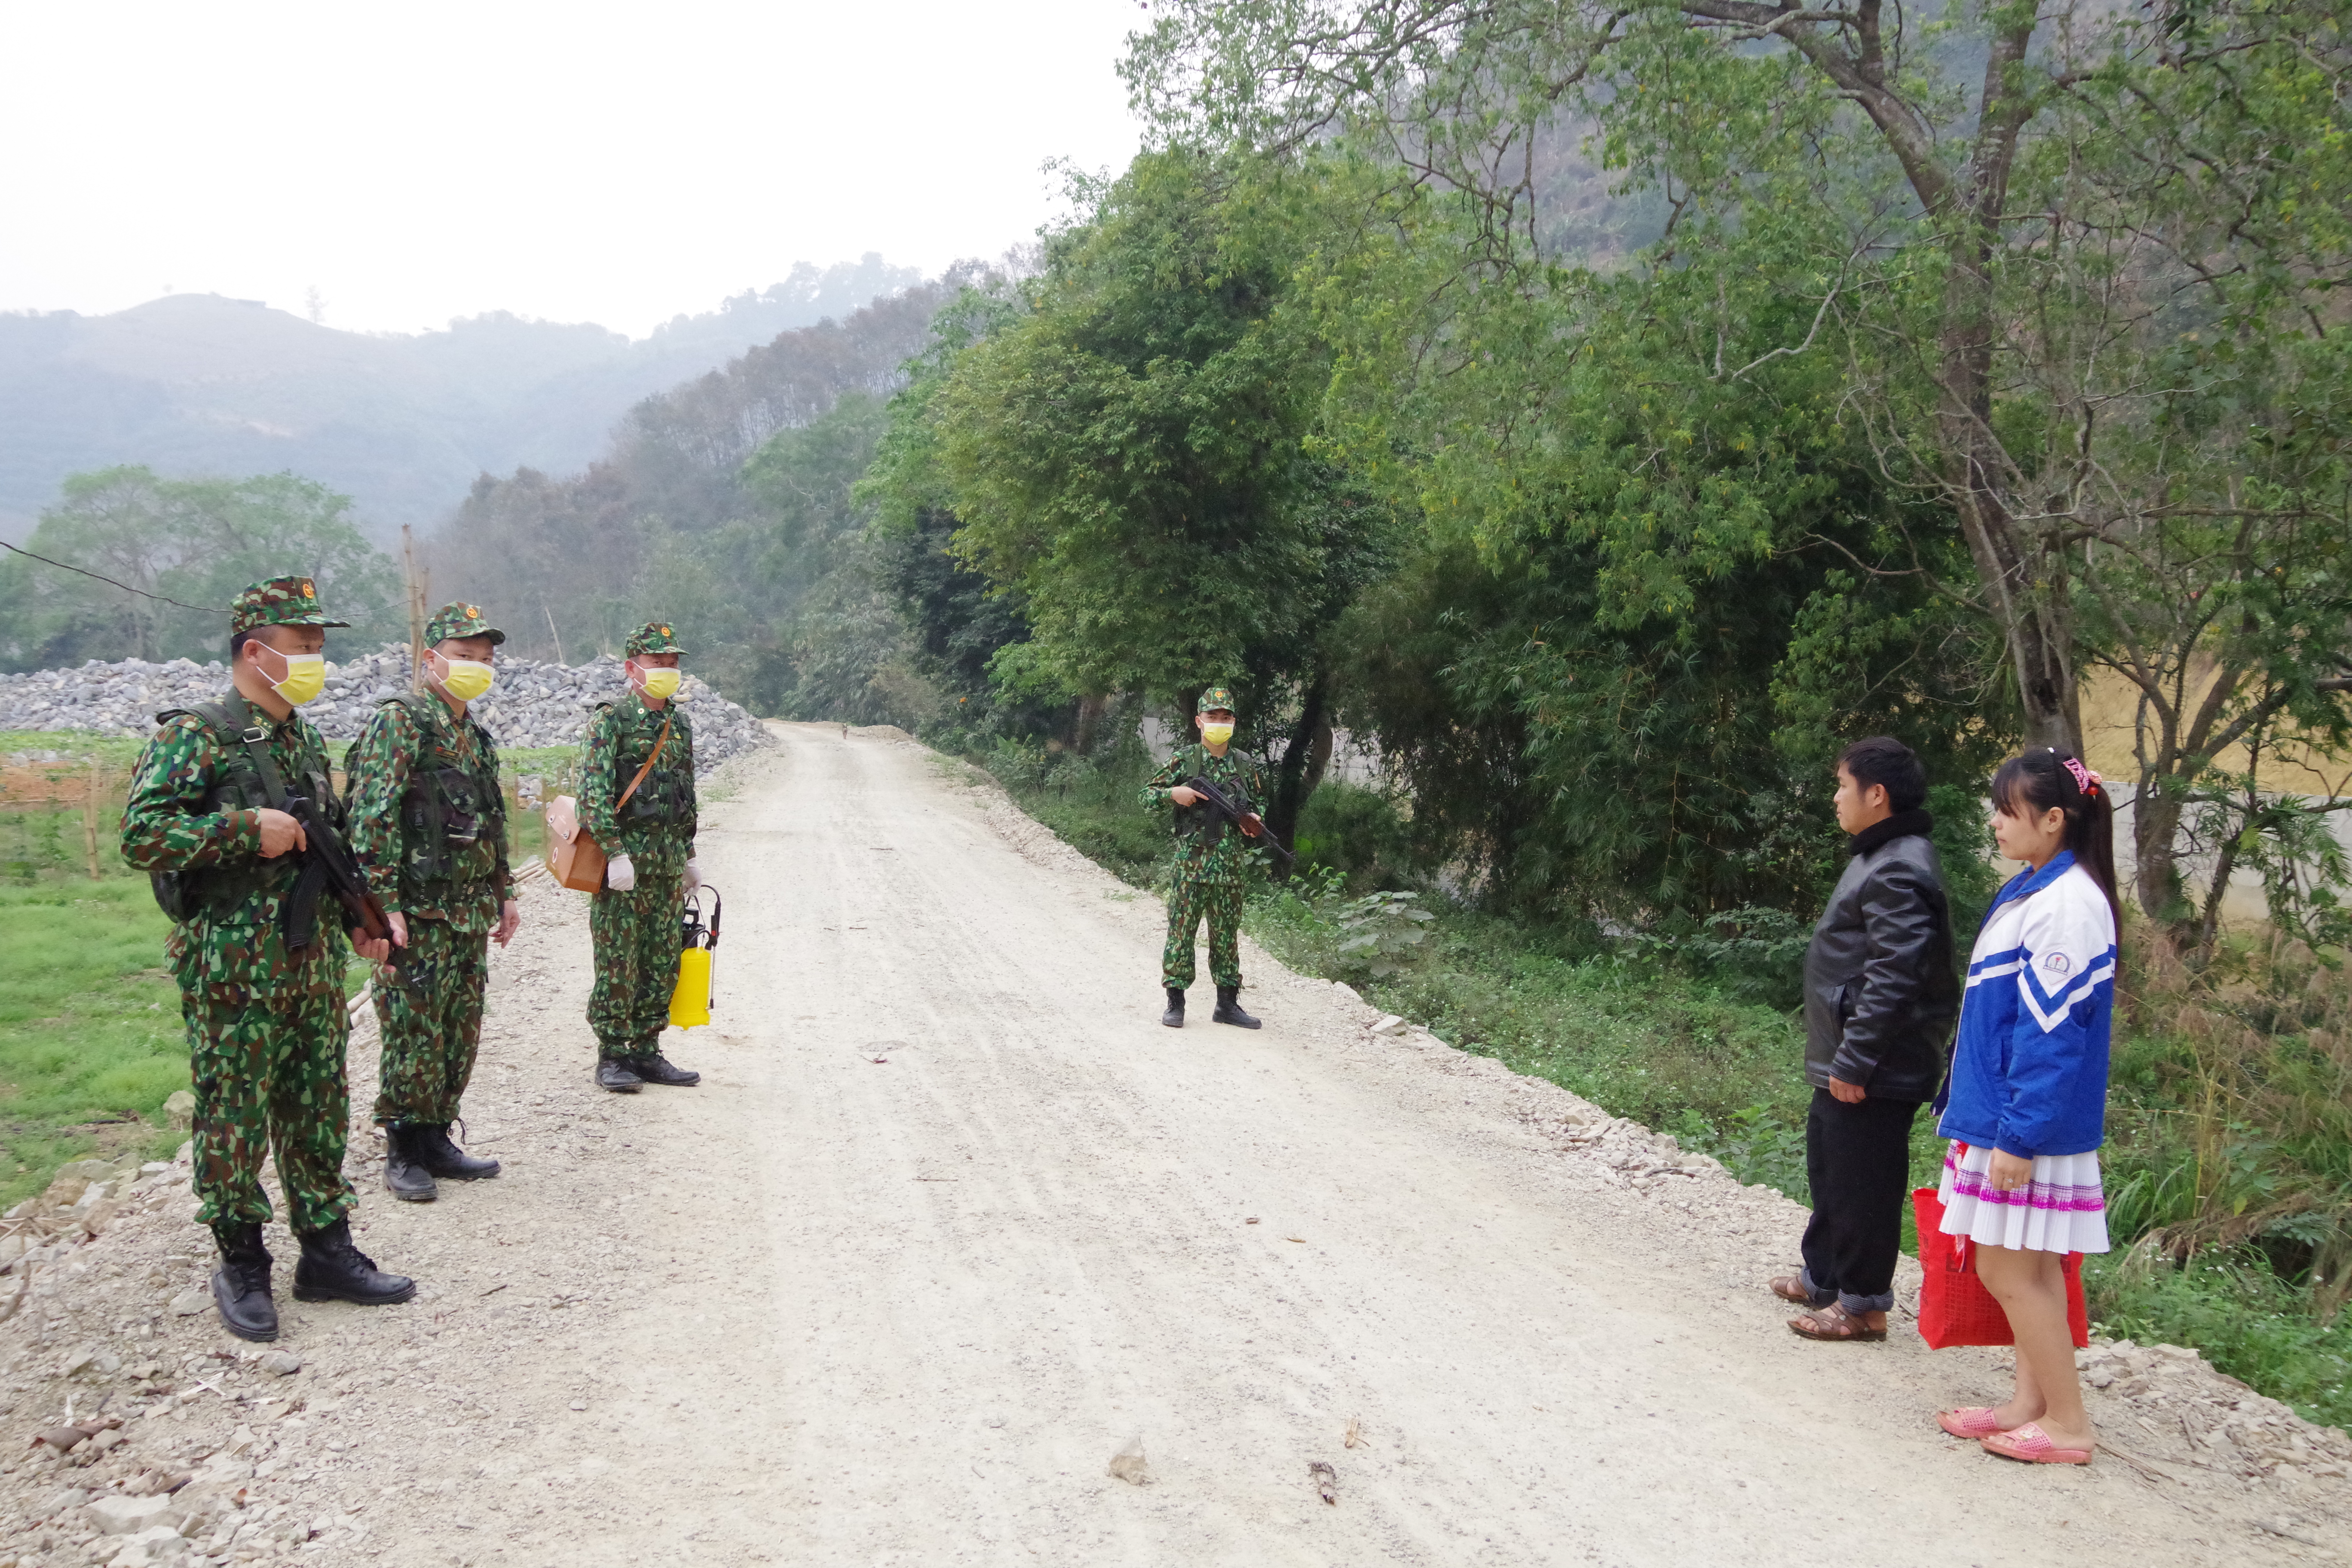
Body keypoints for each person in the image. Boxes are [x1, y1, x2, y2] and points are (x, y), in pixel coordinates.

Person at [119, 576, 416, 1343]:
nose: (319, 659)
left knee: (318, 1106)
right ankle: (242, 1258)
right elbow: (142, 834)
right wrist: (242, 828)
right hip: (232, 973)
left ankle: (325, 1248)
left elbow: (332, 844)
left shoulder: (305, 741)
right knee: (235, 1116)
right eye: (305, 647)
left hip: (308, 962)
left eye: (321, 647)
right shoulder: (196, 734)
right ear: (255, 651)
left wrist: (362, 918)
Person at [1932, 747, 2119, 1465]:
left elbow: (2051, 1037)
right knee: (2030, 1270)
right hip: (2009, 1118)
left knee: (2011, 1272)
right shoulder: (2043, 886)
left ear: (2052, 818)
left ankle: (2068, 1424)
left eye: (2007, 811)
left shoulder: (2067, 904)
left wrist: (2017, 1135)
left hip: (2023, 1127)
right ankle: (2028, 1405)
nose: (1995, 823)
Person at [1778, 736, 1958, 1342]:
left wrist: (1856, 1060)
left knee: (1865, 1181)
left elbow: (1895, 976)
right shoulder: (1881, 854)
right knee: (1832, 1167)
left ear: (1875, 795)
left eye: (1842, 785)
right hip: (1850, 1056)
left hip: (1878, 1063)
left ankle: (1864, 1305)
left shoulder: (1901, 866)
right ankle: (1824, 1275)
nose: (1835, 798)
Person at [344, 602, 521, 1200]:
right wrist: (382, 903)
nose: (475, 667)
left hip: (468, 910)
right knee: (413, 1032)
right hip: (416, 914)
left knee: (458, 1028)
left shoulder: (474, 736)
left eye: (484, 660)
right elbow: (372, 815)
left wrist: (506, 893)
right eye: (463, 656)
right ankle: (403, 1146)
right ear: (431, 661)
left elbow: (491, 823)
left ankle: (439, 1134)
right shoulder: (402, 722)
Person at [581, 621, 703, 1092]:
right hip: (625, 867)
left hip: (667, 865)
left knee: (661, 960)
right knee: (618, 961)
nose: (668, 671)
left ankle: (647, 1049)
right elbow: (592, 793)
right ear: (633, 668)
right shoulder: (610, 719)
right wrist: (614, 854)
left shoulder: (679, 723)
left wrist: (689, 853)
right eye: (658, 663)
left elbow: (684, 794)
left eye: (673, 664)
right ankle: (613, 1055)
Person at [1140, 687, 1269, 1029]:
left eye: (1225, 717)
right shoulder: (1184, 759)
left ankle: (1227, 1005)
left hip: (1230, 868)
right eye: (1212, 717)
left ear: (1233, 722)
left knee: (1226, 935)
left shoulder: (1244, 762)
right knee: (1182, 932)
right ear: (1199, 721)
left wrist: (1254, 821)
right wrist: (1173, 793)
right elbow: (1146, 796)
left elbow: (1258, 803)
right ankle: (1175, 1002)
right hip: (1190, 865)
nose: (1219, 722)